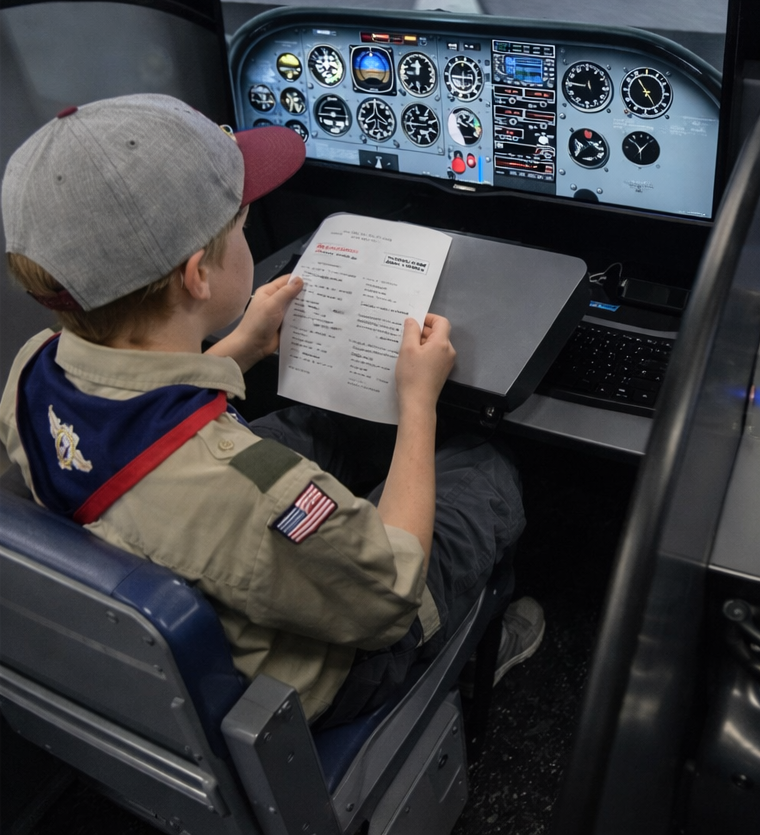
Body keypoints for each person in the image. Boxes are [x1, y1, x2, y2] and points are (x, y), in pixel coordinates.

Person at [0, 93, 543, 726]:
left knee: (329, 424)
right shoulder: (260, 493)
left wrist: (240, 348)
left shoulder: (34, 366)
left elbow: (138, 409)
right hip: (324, 671)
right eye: (240, 223)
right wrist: (419, 404)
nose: (248, 230)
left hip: (181, 542)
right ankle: (483, 643)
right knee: (484, 466)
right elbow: (390, 591)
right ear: (198, 274)